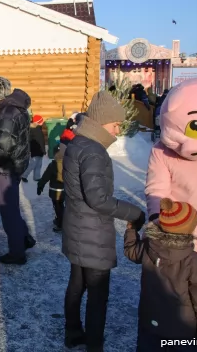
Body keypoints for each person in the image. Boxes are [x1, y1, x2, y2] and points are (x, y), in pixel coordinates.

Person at [62, 91, 146, 351]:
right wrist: (134, 213)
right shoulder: (94, 151)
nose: (118, 130)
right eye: (115, 124)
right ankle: (94, 345)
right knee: (98, 295)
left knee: (77, 284)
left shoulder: (79, 142)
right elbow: (99, 200)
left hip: (77, 227)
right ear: (101, 122)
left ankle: (73, 332)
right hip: (92, 233)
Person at [146, 78, 197, 301]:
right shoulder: (163, 152)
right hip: (185, 239)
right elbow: (157, 189)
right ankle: (185, 334)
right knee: (185, 297)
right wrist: (158, 221)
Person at [124, 198, 197, 351]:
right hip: (182, 330)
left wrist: (131, 230)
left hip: (150, 322)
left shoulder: (149, 247)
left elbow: (131, 251)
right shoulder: (193, 261)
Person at [0, 76, 35, 265]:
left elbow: (4, 146)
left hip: (6, 167)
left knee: (8, 211)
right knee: (10, 206)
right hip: (15, 164)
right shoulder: (13, 109)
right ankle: (24, 239)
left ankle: (17, 253)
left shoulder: (7, 112)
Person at [37, 143, 66, 233]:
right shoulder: (68, 164)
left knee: (58, 207)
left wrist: (40, 185)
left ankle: (61, 224)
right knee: (61, 206)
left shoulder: (53, 165)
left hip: (55, 192)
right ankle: (62, 220)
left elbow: (45, 177)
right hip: (64, 191)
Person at [22, 114, 46, 182]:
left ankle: (37, 177)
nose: (42, 122)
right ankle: (24, 175)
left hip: (40, 150)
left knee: (39, 165)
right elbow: (29, 141)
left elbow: (41, 141)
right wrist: (29, 150)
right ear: (37, 122)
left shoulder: (39, 128)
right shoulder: (32, 129)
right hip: (35, 150)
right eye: (41, 121)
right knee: (32, 165)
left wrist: (43, 150)